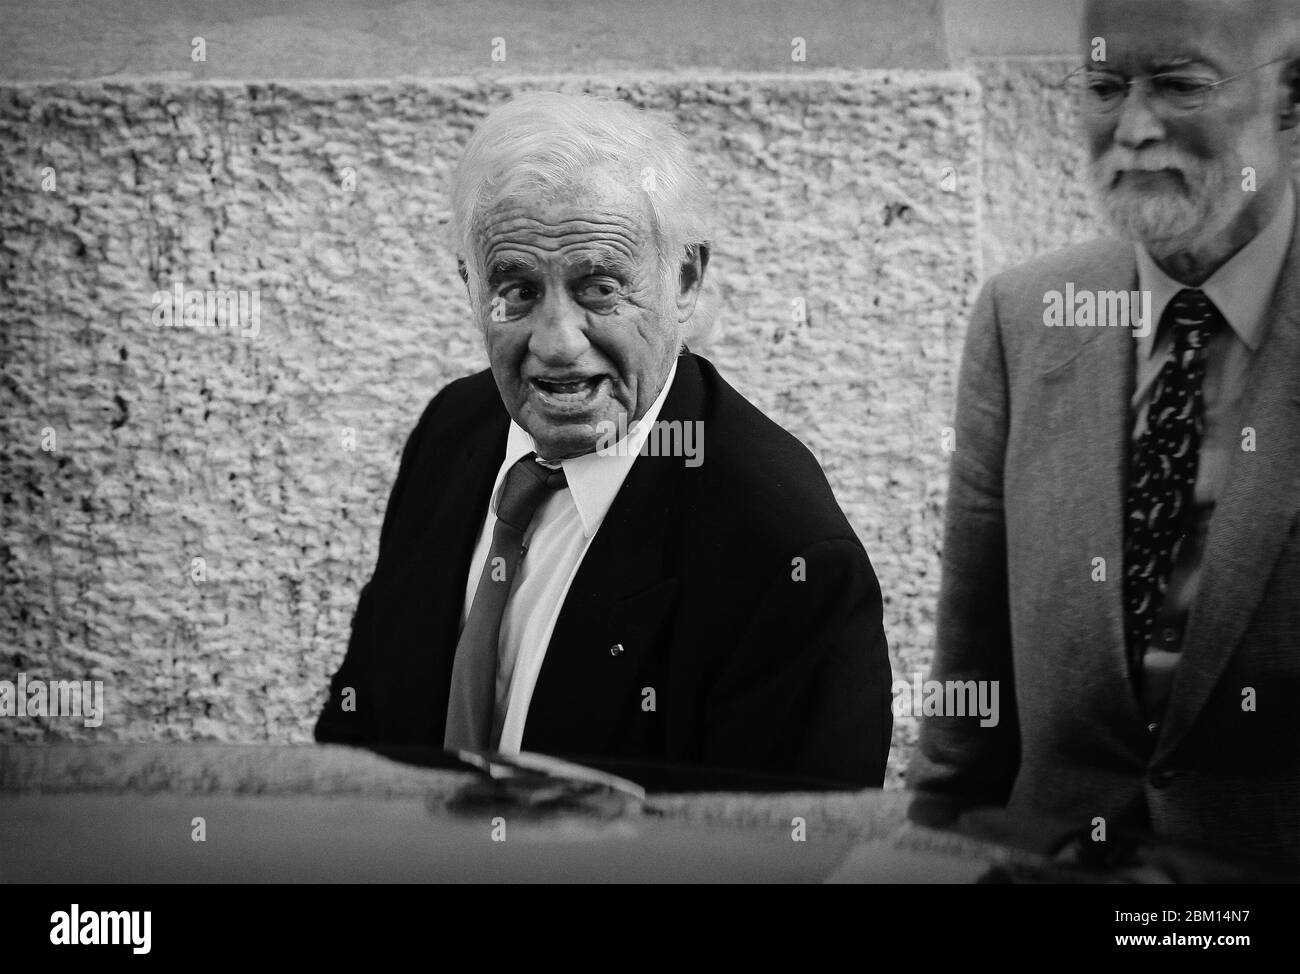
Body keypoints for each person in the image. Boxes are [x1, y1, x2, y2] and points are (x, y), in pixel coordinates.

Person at [315, 91, 893, 788]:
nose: (557, 343)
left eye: (599, 288)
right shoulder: (453, 429)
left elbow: (780, 855)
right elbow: (356, 740)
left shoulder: (788, 560)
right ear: (470, 286)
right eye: (518, 290)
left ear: (684, 279)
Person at [910, 0, 1300, 867]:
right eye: (1103, 87)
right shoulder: (1025, 317)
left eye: (1179, 86)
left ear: (1290, 97)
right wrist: (926, 853)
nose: (1132, 128)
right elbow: (971, 688)